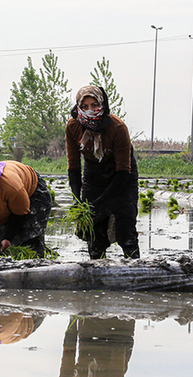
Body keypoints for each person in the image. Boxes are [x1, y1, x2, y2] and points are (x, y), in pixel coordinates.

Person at [66, 85, 140, 259]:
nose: (90, 111)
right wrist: (78, 201)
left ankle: (136, 268)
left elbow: (123, 171)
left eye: (94, 105)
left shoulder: (118, 127)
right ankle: (97, 268)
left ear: (102, 105)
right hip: (93, 174)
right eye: (84, 107)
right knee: (94, 235)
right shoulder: (73, 126)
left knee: (126, 230)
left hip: (121, 176)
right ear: (78, 107)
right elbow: (74, 167)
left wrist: (99, 204)